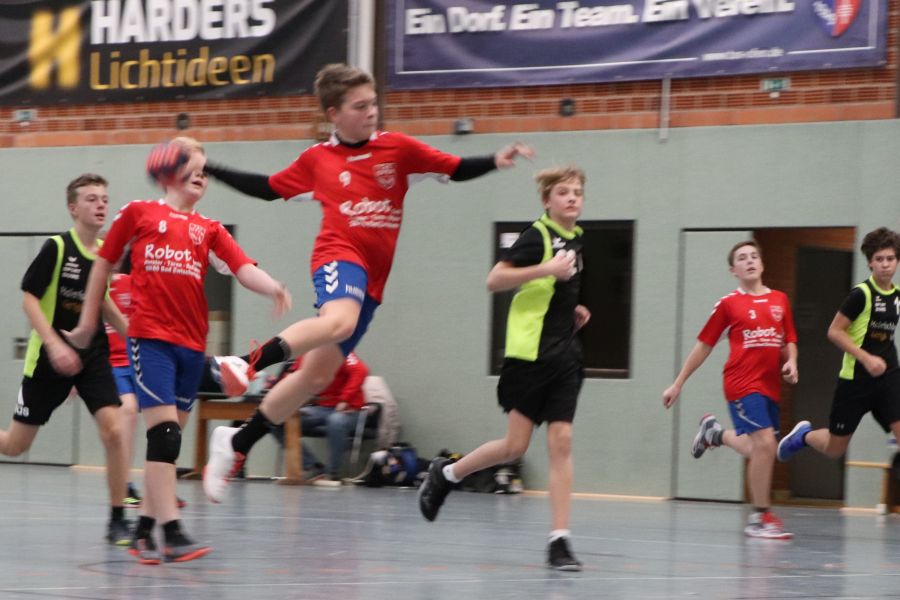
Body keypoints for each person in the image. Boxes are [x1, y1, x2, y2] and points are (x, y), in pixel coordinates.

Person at [192, 62, 534, 504]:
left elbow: (454, 166)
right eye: (360, 106)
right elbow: (267, 187)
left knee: (315, 377)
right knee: (339, 321)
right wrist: (211, 167)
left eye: (373, 103)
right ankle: (245, 363)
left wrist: (494, 160)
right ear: (334, 114)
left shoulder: (398, 149)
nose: (371, 112)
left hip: (372, 282)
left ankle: (237, 441)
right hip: (337, 256)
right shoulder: (317, 160)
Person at [65, 137, 291, 564]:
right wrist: (88, 321)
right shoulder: (139, 213)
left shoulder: (209, 229)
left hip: (192, 348)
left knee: (165, 446)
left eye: (205, 169)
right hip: (151, 341)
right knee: (165, 436)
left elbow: (242, 268)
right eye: (192, 167)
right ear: (168, 172)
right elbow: (103, 265)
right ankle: (172, 532)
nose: (201, 175)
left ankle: (143, 532)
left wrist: (273, 287)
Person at [417, 166, 589, 571]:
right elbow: (495, 279)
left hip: (565, 356)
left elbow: (551, 291)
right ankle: (448, 474)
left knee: (562, 441)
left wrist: (572, 310)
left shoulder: (577, 239)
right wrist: (546, 269)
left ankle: (559, 541)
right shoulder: (537, 236)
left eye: (577, 192)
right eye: (563, 192)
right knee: (514, 447)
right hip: (529, 357)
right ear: (547, 200)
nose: (572, 198)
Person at [0, 173, 131, 545]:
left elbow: (102, 302)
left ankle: (118, 519)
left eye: (104, 198)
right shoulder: (57, 248)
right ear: (74, 208)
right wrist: (55, 345)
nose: (100, 204)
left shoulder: (106, 253)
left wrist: (134, 338)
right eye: (91, 199)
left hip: (93, 356)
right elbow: (29, 300)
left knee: (115, 430)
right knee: (15, 446)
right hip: (48, 358)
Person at [661, 240, 798, 540]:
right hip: (741, 383)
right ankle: (759, 517)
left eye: (754, 256)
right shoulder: (728, 305)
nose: (749, 261)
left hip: (770, 385)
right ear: (733, 270)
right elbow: (703, 346)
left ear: (761, 264)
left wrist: (792, 362)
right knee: (765, 444)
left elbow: (789, 339)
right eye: (742, 258)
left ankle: (715, 434)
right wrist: (678, 382)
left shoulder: (780, 300)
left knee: (759, 449)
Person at [777, 228, 900, 472]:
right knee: (835, 448)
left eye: (890, 258)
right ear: (870, 262)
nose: (885, 264)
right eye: (879, 259)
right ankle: (804, 436)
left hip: (889, 377)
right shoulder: (861, 295)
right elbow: (834, 331)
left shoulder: (897, 295)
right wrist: (866, 358)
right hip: (856, 380)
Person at [268, 352, 369, 484]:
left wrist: (345, 399)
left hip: (351, 408)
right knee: (276, 420)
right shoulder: (305, 354)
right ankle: (312, 467)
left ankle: (332, 473)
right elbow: (294, 377)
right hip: (323, 408)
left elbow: (360, 371)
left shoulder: (341, 351)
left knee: (336, 421)